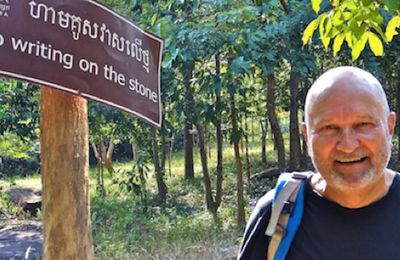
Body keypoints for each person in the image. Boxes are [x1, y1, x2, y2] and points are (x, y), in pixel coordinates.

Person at [238, 66, 400, 259]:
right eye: (329, 128)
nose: (347, 146)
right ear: (307, 136)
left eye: (363, 125)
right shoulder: (275, 214)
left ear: (390, 127)